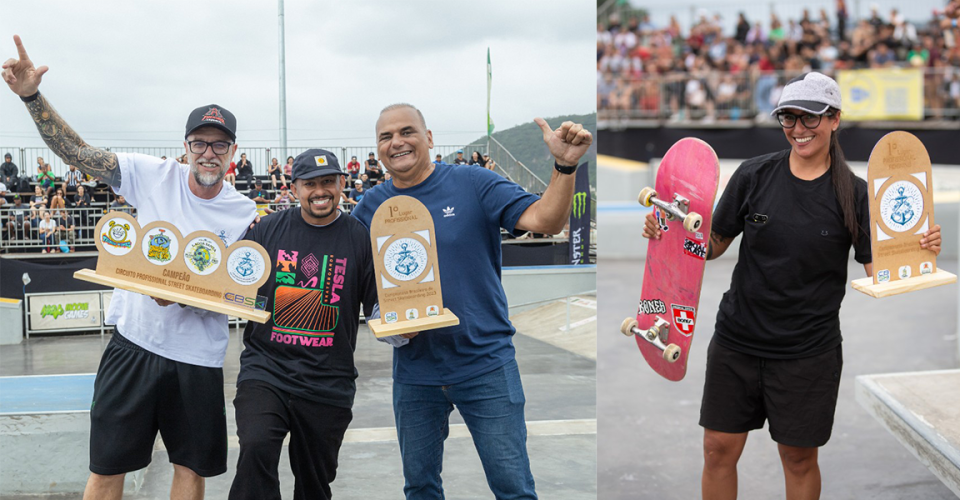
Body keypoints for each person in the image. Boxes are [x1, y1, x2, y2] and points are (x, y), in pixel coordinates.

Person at [641, 72, 942, 500]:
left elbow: (882, 272)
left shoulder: (855, 195)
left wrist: (920, 249)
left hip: (807, 353)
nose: (798, 129)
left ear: (835, 118)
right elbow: (710, 245)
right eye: (788, 118)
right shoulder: (753, 176)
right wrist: (668, 231)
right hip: (737, 341)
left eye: (810, 117)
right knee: (716, 450)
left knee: (799, 460)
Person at [2, 34, 258, 500]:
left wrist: (188, 294)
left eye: (220, 146)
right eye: (200, 142)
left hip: (197, 358)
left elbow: (243, 288)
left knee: (190, 470)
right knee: (106, 469)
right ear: (186, 146)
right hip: (135, 344)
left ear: (233, 154)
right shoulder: (152, 174)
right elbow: (78, 153)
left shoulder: (244, 213)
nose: (209, 153)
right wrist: (32, 98)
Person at [351, 103, 592, 499]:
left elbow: (546, 221)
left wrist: (564, 167)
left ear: (429, 138)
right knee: (421, 489)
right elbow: (358, 282)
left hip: (485, 365)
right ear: (377, 149)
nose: (397, 142)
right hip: (416, 374)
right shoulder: (370, 207)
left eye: (407, 131)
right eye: (385, 136)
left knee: (513, 488)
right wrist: (381, 320)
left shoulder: (473, 183)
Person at [228, 149, 379, 500]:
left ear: (342, 184)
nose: (320, 191)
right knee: (256, 447)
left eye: (328, 182)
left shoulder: (359, 238)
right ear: (294, 188)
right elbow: (232, 280)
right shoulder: (266, 229)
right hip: (267, 369)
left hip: (328, 380)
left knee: (315, 481)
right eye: (310, 183)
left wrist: (407, 321)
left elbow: (376, 307)